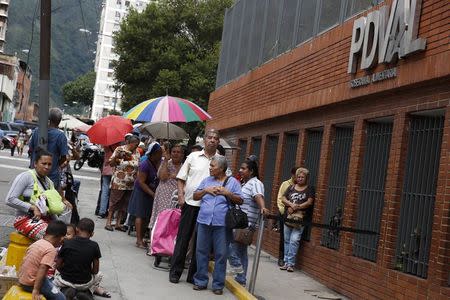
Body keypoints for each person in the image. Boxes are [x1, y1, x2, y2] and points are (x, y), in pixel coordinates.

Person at [169, 129, 221, 284]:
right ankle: (175, 272)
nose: (212, 140)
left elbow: (225, 180)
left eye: (215, 138)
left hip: (208, 207)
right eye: (210, 137)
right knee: (183, 239)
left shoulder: (221, 160)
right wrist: (180, 195)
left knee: (201, 242)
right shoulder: (193, 156)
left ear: (218, 142)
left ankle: (193, 275)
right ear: (204, 140)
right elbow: (181, 178)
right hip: (190, 203)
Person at [192, 156, 243, 295]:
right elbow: (195, 196)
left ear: (221, 168)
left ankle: (217, 285)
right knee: (201, 252)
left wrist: (228, 193)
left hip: (222, 224)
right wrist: (205, 191)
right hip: (204, 221)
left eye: (212, 166)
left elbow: (240, 200)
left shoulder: (233, 182)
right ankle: (200, 281)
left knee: (221, 254)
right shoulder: (207, 181)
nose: (210, 168)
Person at [228, 159, 268, 286]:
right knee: (240, 251)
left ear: (251, 171)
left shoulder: (255, 183)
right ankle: (240, 277)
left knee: (231, 248)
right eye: (240, 168)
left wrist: (262, 207)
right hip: (238, 222)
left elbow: (258, 196)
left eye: (244, 168)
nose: (240, 170)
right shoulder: (244, 183)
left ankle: (240, 275)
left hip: (245, 224)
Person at [5, 148, 72, 222]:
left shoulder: (50, 183)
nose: (47, 167)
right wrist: (33, 208)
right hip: (25, 220)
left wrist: (58, 223)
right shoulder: (25, 176)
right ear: (35, 164)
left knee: (61, 231)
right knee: (49, 232)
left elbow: (50, 208)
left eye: (49, 164)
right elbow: (9, 199)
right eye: (44, 163)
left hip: (44, 220)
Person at [54, 218, 110, 299]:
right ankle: (87, 292)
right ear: (92, 234)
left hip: (65, 281)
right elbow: (95, 271)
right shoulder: (94, 246)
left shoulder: (66, 243)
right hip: (84, 283)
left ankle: (66, 290)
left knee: (55, 269)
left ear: (76, 230)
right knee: (99, 275)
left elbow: (58, 266)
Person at [18, 220, 67, 300]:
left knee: (51, 283)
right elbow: (43, 269)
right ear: (61, 238)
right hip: (31, 284)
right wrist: (36, 290)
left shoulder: (36, 243)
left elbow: (25, 261)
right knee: (61, 298)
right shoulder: (50, 249)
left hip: (23, 281)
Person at [128, 142, 162, 248]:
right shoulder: (145, 164)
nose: (161, 155)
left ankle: (142, 237)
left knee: (147, 216)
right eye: (159, 153)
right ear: (153, 154)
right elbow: (141, 182)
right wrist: (152, 193)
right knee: (140, 215)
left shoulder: (158, 163)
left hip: (151, 191)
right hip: (142, 191)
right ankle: (138, 240)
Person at [280, 167, 314, 272]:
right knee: (286, 240)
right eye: (298, 177)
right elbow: (283, 198)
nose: (300, 179)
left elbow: (309, 202)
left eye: (302, 177)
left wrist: (297, 207)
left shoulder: (309, 189)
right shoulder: (290, 187)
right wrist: (290, 204)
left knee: (294, 240)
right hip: (288, 217)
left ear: (306, 178)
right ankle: (286, 262)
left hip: (300, 220)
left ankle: (291, 263)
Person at [104, 135, 140, 232]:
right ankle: (108, 222)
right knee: (114, 202)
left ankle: (118, 223)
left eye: (137, 145)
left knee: (124, 203)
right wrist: (117, 156)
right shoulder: (120, 149)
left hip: (130, 183)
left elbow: (138, 165)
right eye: (135, 145)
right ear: (129, 143)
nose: (136, 147)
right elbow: (111, 163)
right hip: (119, 181)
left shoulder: (137, 152)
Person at [29, 108, 69, 189]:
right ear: (60, 120)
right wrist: (55, 165)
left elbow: (30, 150)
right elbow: (64, 157)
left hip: (35, 171)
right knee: (49, 198)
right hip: (51, 174)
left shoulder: (37, 131)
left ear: (49, 119)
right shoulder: (61, 136)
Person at [149, 143, 185, 229]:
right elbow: (162, 177)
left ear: (182, 155)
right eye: (173, 152)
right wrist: (165, 160)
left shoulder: (184, 166)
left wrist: (175, 176)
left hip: (176, 196)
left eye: (178, 152)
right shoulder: (166, 163)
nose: (175, 154)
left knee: (172, 218)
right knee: (160, 216)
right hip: (163, 194)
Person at [276, 166, 298, 267]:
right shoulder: (285, 184)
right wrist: (283, 212)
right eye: (296, 175)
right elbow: (280, 199)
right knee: (284, 237)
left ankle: (290, 260)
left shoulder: (300, 185)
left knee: (293, 238)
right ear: (292, 175)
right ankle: (281, 258)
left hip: (296, 215)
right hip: (284, 213)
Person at [97, 143, 120, 219]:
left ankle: (102, 212)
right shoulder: (119, 146)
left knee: (104, 191)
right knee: (113, 192)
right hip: (115, 170)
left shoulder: (106, 145)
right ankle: (111, 213)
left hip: (106, 169)